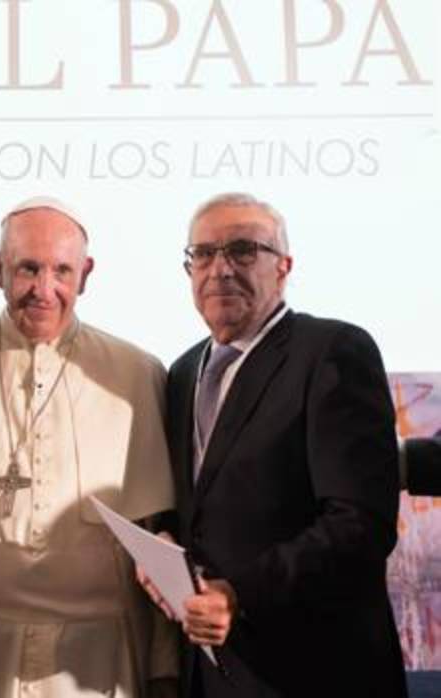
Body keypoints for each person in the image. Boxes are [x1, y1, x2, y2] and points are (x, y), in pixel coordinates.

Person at [0, 196, 178, 698]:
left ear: (85, 275)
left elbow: (157, 541)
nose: (45, 290)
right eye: (28, 269)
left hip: (99, 655)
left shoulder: (138, 373)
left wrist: (163, 668)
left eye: (62, 271)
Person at [154, 192, 406, 697]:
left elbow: (360, 525)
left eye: (243, 249)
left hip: (316, 674)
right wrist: (159, 544)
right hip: (213, 674)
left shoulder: (334, 351)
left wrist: (239, 595)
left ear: (284, 266)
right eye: (202, 254)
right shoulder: (181, 372)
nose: (220, 269)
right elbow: (196, 509)